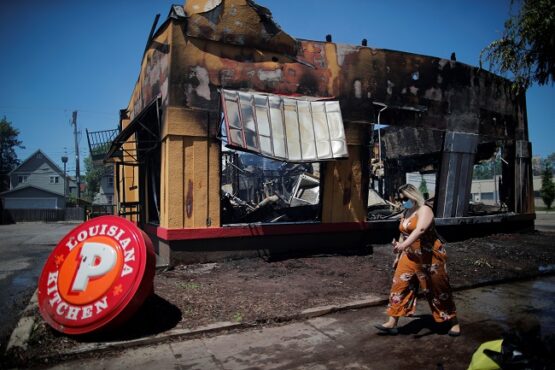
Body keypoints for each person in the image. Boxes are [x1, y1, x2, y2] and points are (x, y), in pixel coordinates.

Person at [375, 183, 460, 336]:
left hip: (430, 256)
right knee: (400, 286)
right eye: (400, 199)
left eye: (405, 198)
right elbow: (403, 233)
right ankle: (392, 322)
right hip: (409, 255)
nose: (402, 202)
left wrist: (403, 245)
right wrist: (398, 254)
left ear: (413, 196)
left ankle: (453, 322)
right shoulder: (406, 211)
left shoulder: (425, 210)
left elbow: (420, 230)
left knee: (439, 289)